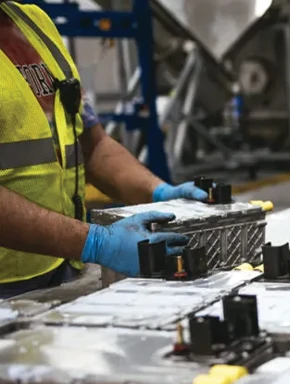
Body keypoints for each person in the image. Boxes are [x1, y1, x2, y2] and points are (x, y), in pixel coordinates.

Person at [0, 1, 206, 299]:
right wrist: (95, 242)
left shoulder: (33, 22)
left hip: (64, 273)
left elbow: (93, 144)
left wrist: (159, 192)